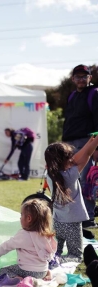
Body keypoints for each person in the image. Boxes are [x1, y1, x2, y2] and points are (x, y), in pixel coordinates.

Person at [45, 136, 98, 263]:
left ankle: (54, 257)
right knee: (76, 255)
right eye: (69, 157)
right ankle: (59, 261)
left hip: (57, 222)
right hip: (72, 224)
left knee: (56, 251)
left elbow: (76, 159)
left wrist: (90, 141)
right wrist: (96, 141)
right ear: (63, 161)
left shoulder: (51, 175)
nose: (72, 159)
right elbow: (88, 154)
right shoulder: (70, 175)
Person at [62, 64, 98, 229]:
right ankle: (75, 215)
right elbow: (68, 121)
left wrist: (96, 148)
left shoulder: (94, 94)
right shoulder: (71, 96)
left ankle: (88, 218)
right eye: (78, 77)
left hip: (87, 141)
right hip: (69, 143)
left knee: (87, 180)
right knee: (70, 179)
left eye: (84, 76)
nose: (81, 79)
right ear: (73, 79)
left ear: (90, 77)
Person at [0, 199, 56, 280]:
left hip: (27, 271)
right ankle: (48, 274)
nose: (20, 218)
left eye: (21, 215)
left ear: (28, 218)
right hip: (42, 271)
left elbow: (6, 246)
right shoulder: (46, 235)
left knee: (2, 270)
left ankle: (18, 278)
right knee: (40, 266)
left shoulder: (24, 235)